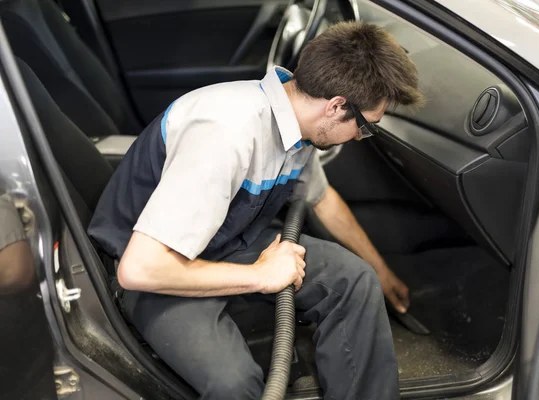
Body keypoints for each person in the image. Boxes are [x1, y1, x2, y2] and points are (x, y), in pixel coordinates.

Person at [88, 21, 423, 400]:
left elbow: (321, 199)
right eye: (366, 128)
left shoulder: (298, 123)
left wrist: (382, 272)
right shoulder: (227, 132)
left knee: (356, 281)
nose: (362, 138)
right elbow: (139, 269)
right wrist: (260, 276)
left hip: (228, 240)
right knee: (234, 385)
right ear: (336, 106)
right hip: (162, 268)